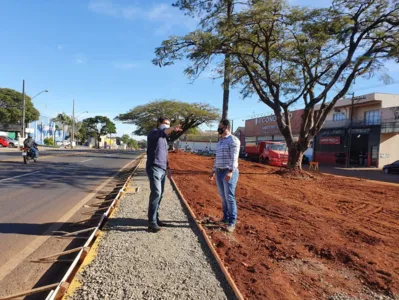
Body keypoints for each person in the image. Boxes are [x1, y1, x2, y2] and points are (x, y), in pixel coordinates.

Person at [146, 117, 182, 233]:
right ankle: (151, 222)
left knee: (160, 194)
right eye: (165, 124)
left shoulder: (165, 139)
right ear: (159, 124)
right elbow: (163, 131)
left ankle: (155, 218)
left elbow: (165, 155)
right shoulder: (154, 133)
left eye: (168, 124)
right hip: (154, 167)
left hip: (162, 168)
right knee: (156, 192)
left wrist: (168, 168)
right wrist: (173, 128)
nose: (167, 126)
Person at [209, 119, 240, 233]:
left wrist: (230, 171)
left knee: (229, 197)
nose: (219, 129)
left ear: (226, 127)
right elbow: (217, 158)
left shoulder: (233, 140)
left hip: (228, 171)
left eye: (220, 127)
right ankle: (225, 218)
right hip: (219, 171)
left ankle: (232, 222)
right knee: (223, 196)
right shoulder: (220, 141)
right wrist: (213, 171)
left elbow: (234, 158)